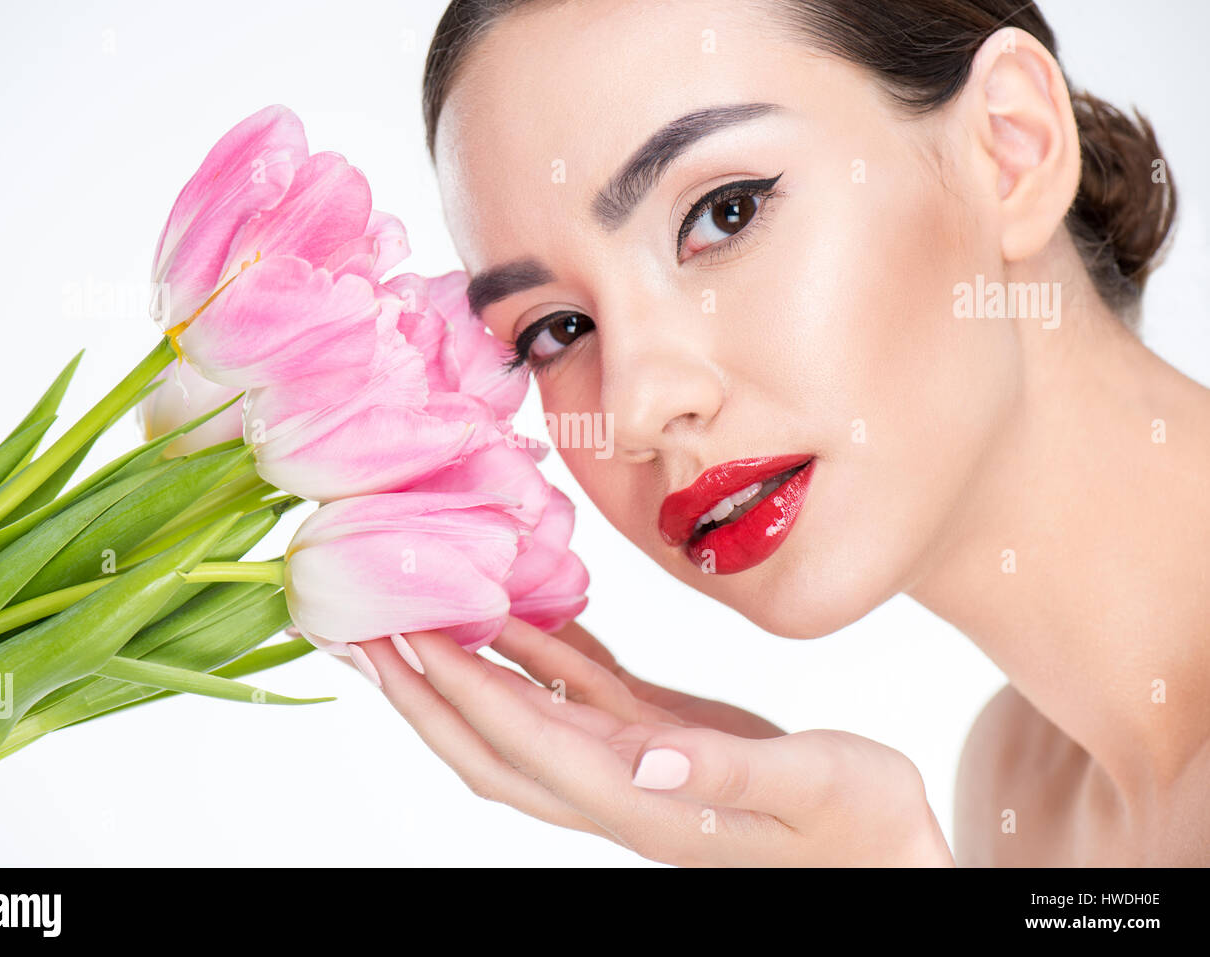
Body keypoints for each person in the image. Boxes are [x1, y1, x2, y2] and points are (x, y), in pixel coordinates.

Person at [340, 0, 1207, 866]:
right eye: (558, 330)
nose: (636, 408)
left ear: (1010, 145)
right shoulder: (1025, 785)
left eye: (724, 213)